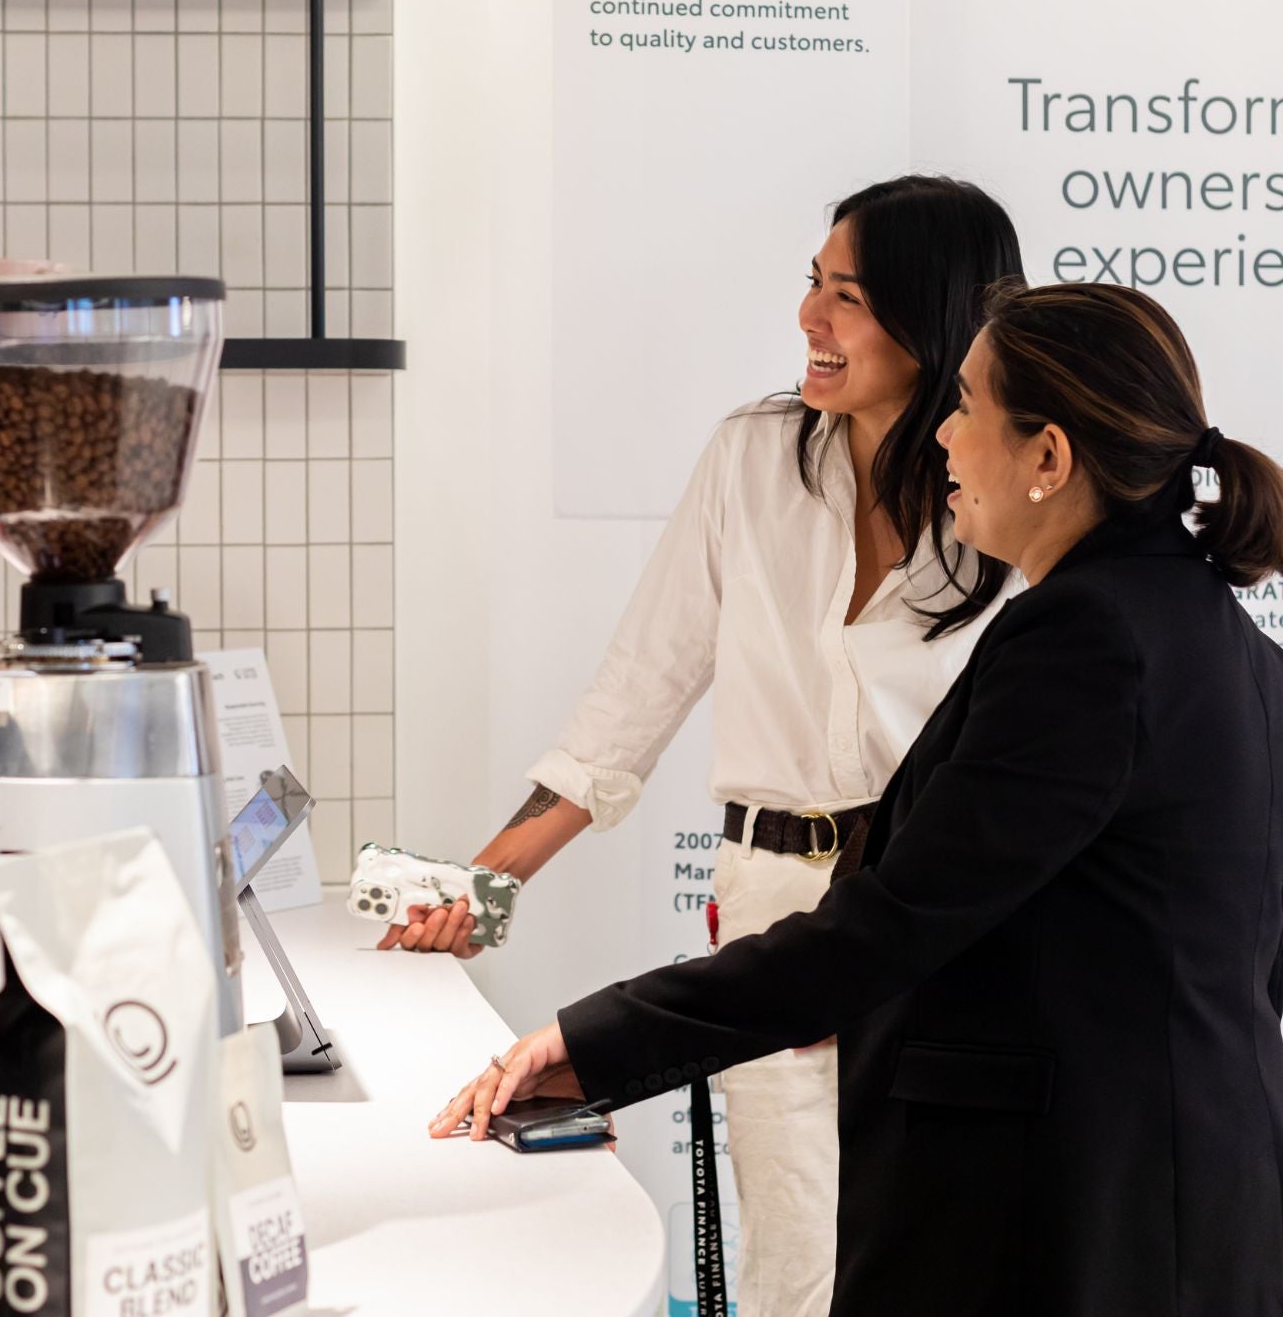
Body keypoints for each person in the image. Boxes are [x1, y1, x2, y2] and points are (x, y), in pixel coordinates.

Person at [439, 279, 1283, 1315]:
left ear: (1048, 459)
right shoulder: (1223, 640)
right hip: (1187, 1196)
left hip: (1055, 1214)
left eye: (967, 407)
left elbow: (890, 925)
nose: (943, 439)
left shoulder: (1085, 640)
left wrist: (597, 1041)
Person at [389, 175, 1023, 1315]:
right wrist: (482, 886)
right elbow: (636, 692)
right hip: (779, 913)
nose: (807, 322)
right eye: (810, 286)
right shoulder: (752, 459)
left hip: (945, 927)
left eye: (846, 297)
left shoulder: (1010, 499)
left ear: (929, 322)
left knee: (953, 1251)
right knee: (798, 1271)